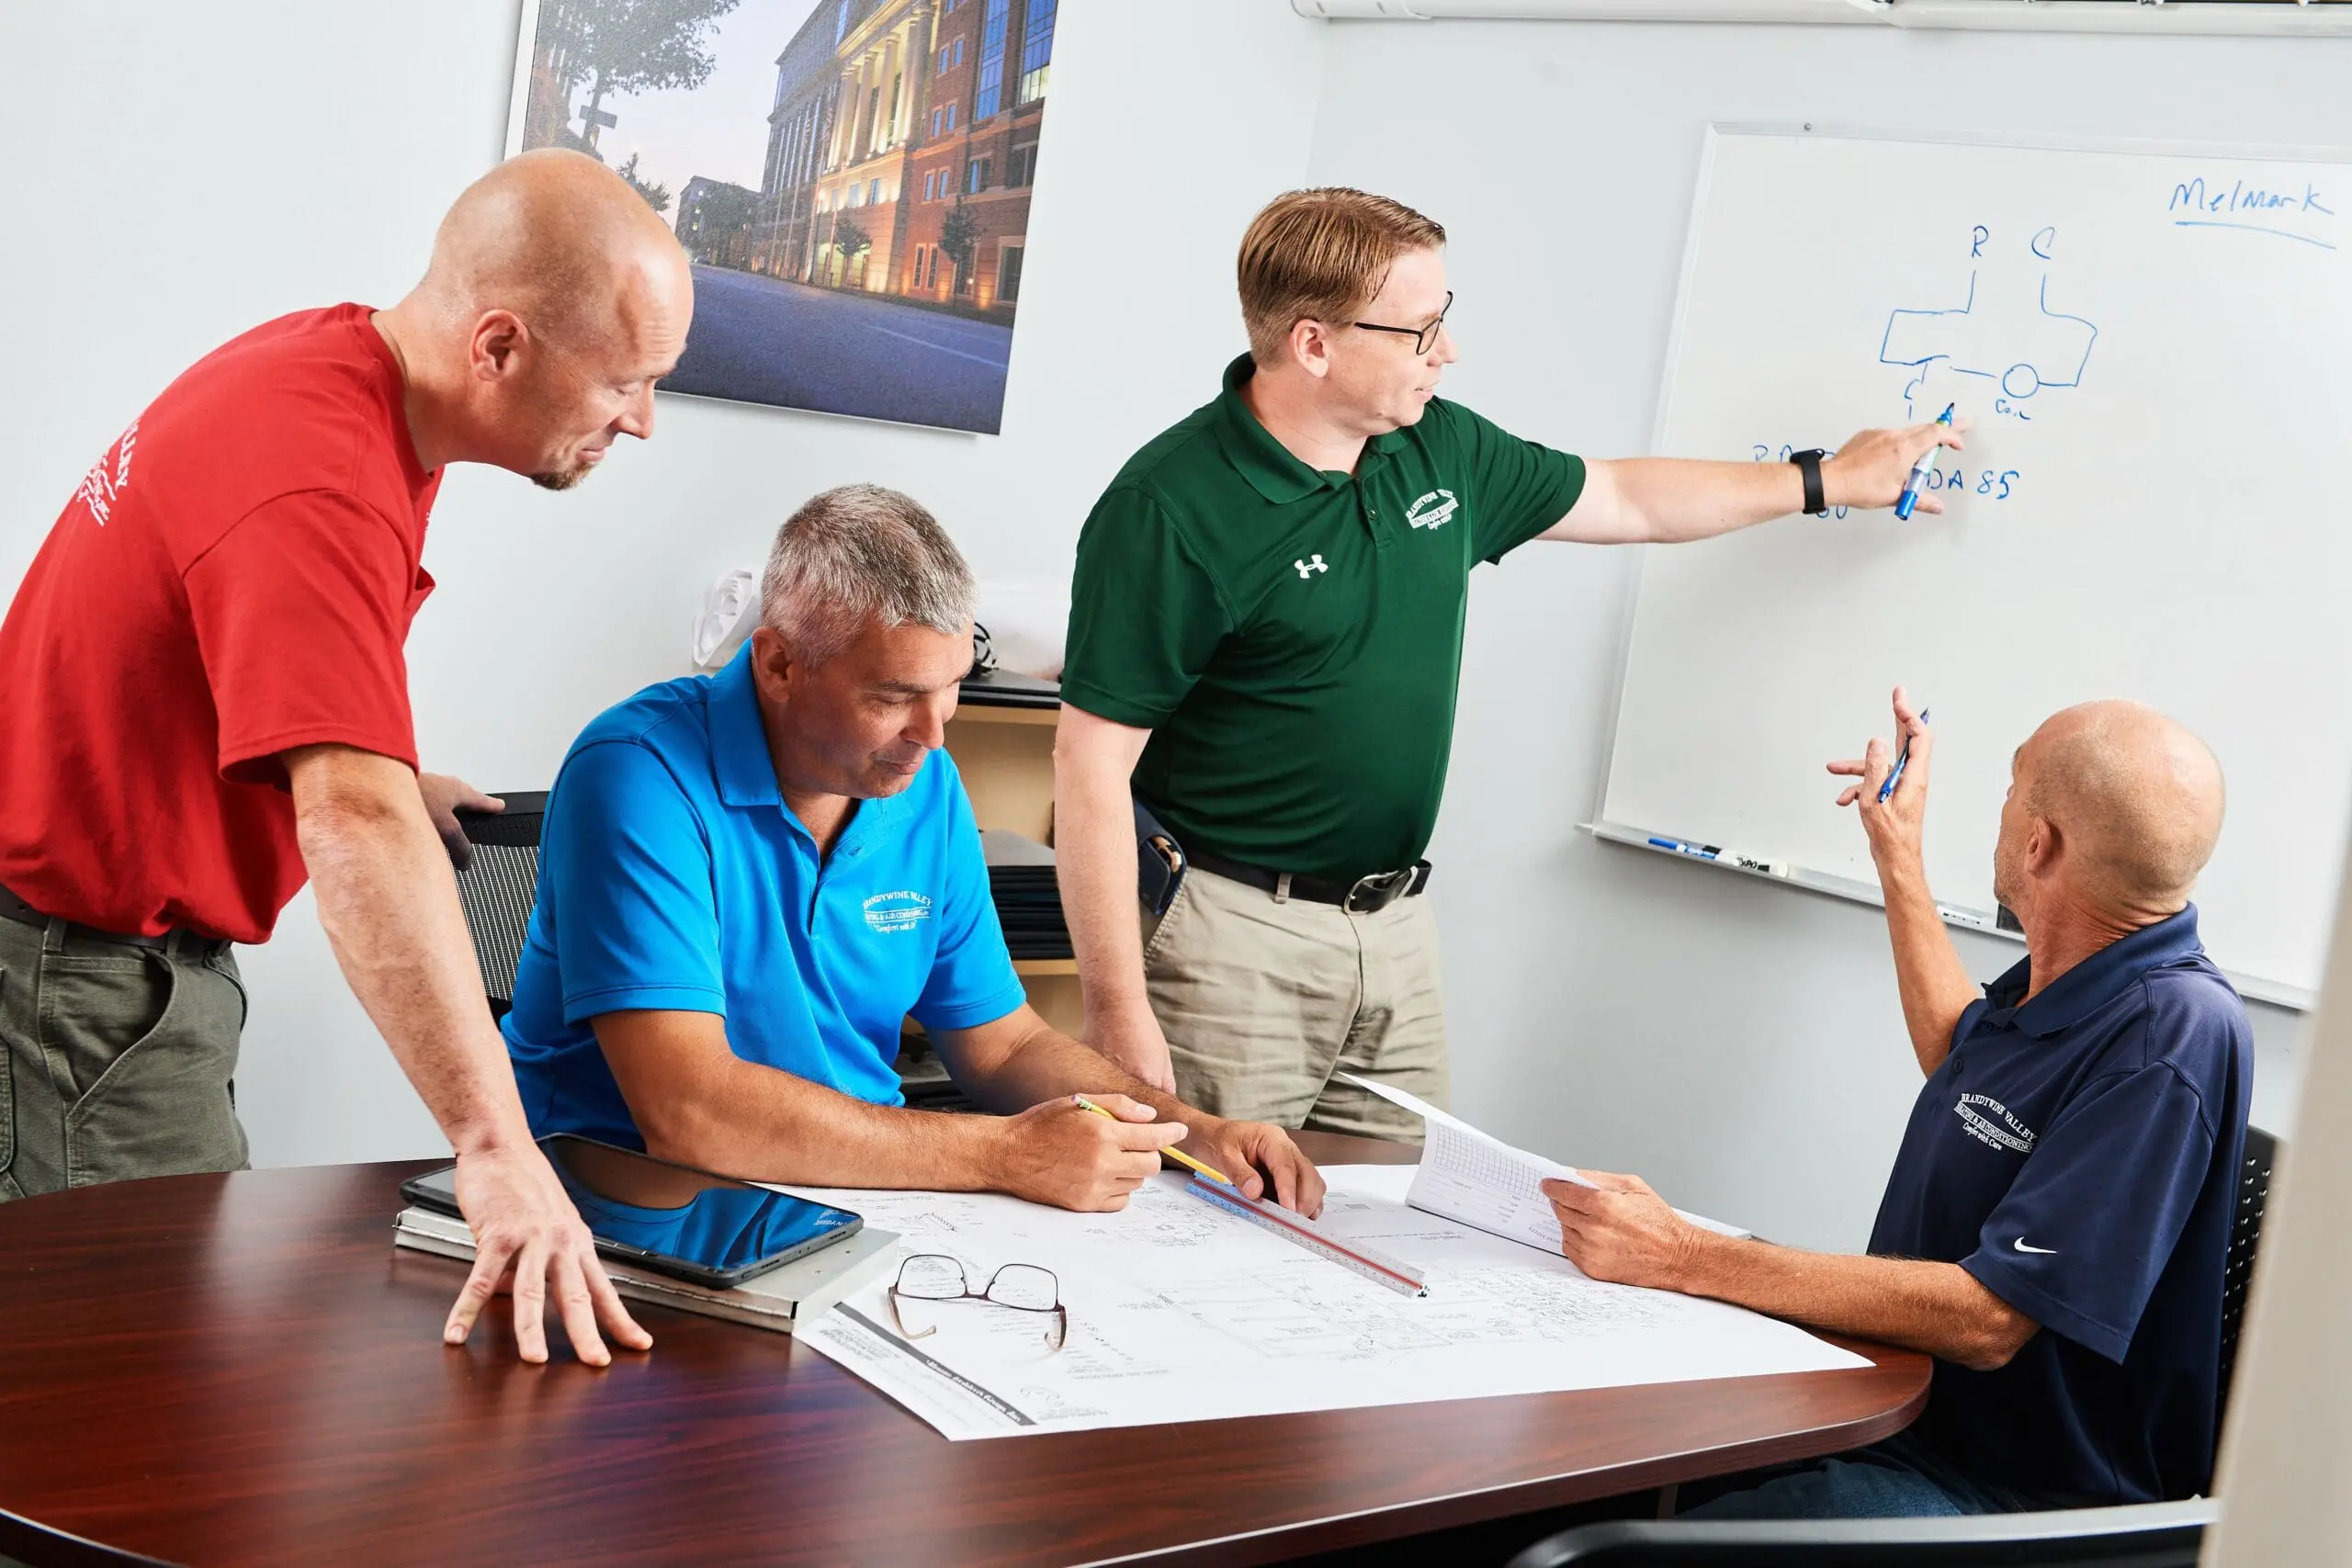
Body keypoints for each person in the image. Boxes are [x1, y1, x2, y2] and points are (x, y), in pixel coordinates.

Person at [1053, 186, 1967, 1139]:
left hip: (1394, 929)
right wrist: (1118, 1008)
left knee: (1393, 1228)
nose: (1446, 352)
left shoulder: (1434, 445)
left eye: (1444, 321)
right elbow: (1089, 767)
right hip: (1230, 936)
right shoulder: (1170, 507)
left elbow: (1625, 499)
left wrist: (1827, 480)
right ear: (1314, 344)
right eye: (1418, 331)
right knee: (1206, 1229)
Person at [0, 148, 693, 1367]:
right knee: (115, 1382)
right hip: (79, 978)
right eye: (626, 382)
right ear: (498, 346)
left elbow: (195, 628)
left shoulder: (330, 367)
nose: (639, 419)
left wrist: (366, 749)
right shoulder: (319, 477)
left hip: (81, 946)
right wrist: (495, 1145)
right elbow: (355, 823)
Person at [503, 485, 1326, 1215]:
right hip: (623, 1206)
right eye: (894, 697)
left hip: (849, 1198)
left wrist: (1199, 1135)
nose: (934, 736)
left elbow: (1003, 1044)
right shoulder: (638, 774)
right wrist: (1003, 1153)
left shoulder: (922, 787)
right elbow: (690, 1113)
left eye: (952, 688)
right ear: (779, 662)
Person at [1544, 691, 2251, 1516]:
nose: (2000, 807)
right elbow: (1963, 1060)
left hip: (2005, 1496)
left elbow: (1992, 1318)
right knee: (1609, 1447)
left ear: (2038, 843)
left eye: (2010, 786)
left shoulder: (2170, 1038)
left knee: (1621, 1537)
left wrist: (1681, 1253)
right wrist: (1897, 853)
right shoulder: (2086, 970)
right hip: (1893, 1410)